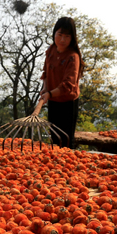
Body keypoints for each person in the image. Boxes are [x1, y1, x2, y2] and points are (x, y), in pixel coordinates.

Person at [36, 16, 84, 149]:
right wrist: (46, 89)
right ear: (54, 34)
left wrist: (50, 94)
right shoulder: (51, 50)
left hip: (68, 103)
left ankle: (68, 166)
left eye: (67, 36)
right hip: (54, 101)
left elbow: (68, 85)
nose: (62, 40)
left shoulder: (73, 57)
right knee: (55, 139)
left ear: (72, 38)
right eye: (60, 35)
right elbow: (46, 72)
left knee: (66, 140)